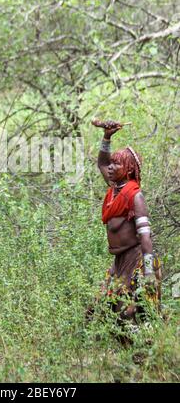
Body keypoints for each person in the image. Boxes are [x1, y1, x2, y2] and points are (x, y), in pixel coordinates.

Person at [95, 120, 161, 327]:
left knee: (133, 314)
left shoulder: (135, 196)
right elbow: (102, 164)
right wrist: (107, 137)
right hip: (119, 262)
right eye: (112, 163)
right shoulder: (115, 189)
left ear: (130, 169)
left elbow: (145, 236)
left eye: (117, 164)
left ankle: (152, 352)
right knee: (102, 310)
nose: (111, 167)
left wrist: (149, 272)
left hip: (136, 262)